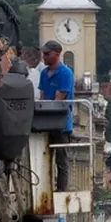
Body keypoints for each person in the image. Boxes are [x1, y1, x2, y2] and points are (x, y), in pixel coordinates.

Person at [37, 40, 75, 192]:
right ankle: (44, 188)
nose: (44, 57)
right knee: (44, 158)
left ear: (57, 54)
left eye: (47, 54)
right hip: (46, 122)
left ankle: (61, 190)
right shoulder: (43, 74)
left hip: (61, 124)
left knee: (61, 160)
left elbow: (59, 99)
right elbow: (43, 96)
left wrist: (43, 108)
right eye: (43, 54)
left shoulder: (65, 73)